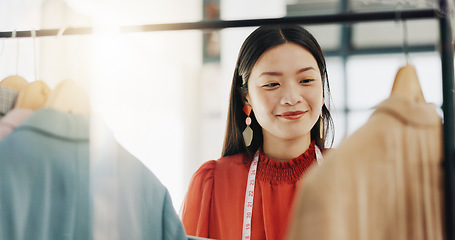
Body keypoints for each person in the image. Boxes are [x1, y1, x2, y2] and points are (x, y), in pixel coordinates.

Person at [181, 24, 334, 240]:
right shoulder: (213, 185)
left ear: (323, 91)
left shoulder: (357, 175)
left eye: (306, 80)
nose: (292, 97)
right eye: (272, 84)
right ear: (246, 98)